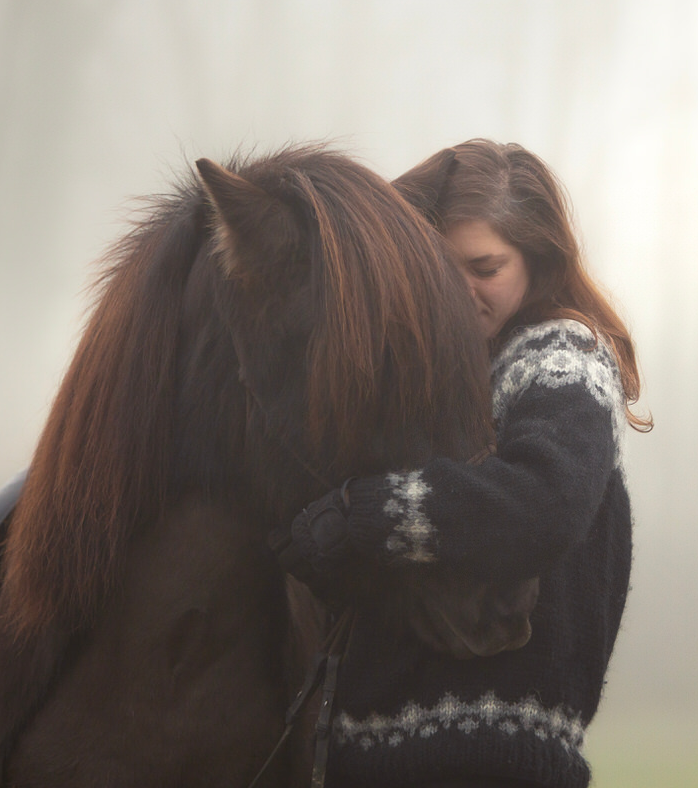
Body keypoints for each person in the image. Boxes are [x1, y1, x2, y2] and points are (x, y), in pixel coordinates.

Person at [270, 139, 649, 788]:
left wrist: (365, 515)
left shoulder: (559, 356)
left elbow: (543, 505)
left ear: (540, 258)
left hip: (490, 766)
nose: (460, 291)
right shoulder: (422, 380)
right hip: (360, 764)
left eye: (485, 267)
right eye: (441, 269)